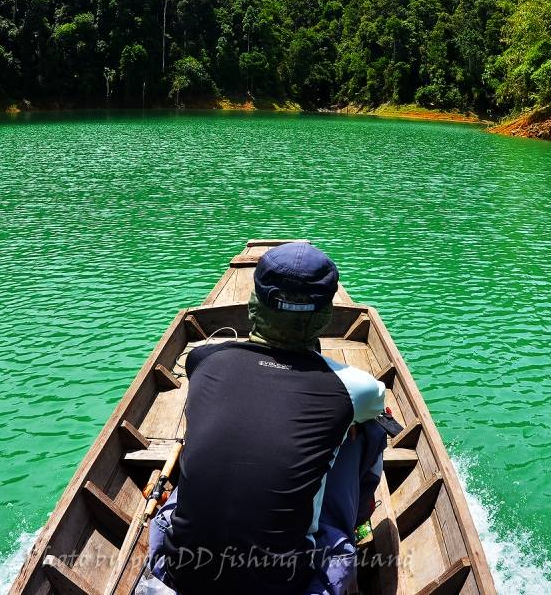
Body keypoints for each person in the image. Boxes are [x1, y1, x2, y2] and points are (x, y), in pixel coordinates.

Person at [144, 243, 388, 595]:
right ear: (324, 315)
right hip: (287, 585)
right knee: (369, 429)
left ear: (253, 305)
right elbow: (370, 409)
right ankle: (353, 521)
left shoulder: (203, 361)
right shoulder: (357, 388)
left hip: (186, 575)